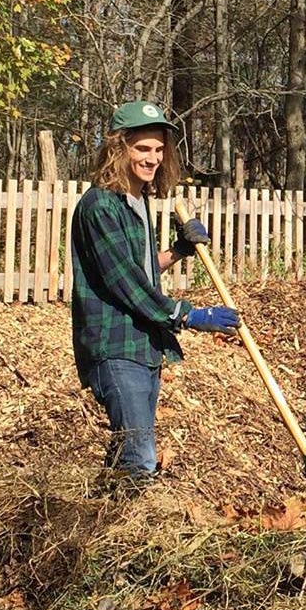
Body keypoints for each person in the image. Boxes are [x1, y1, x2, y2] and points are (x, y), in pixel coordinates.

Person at [70, 99, 240, 491]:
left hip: (143, 346)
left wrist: (178, 250)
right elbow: (126, 284)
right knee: (140, 459)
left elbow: (142, 271)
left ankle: (94, 523)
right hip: (115, 347)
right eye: (143, 148)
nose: (153, 158)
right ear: (119, 148)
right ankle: (125, 542)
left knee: (124, 455)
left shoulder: (137, 202)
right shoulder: (99, 206)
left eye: (159, 149)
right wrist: (189, 315)